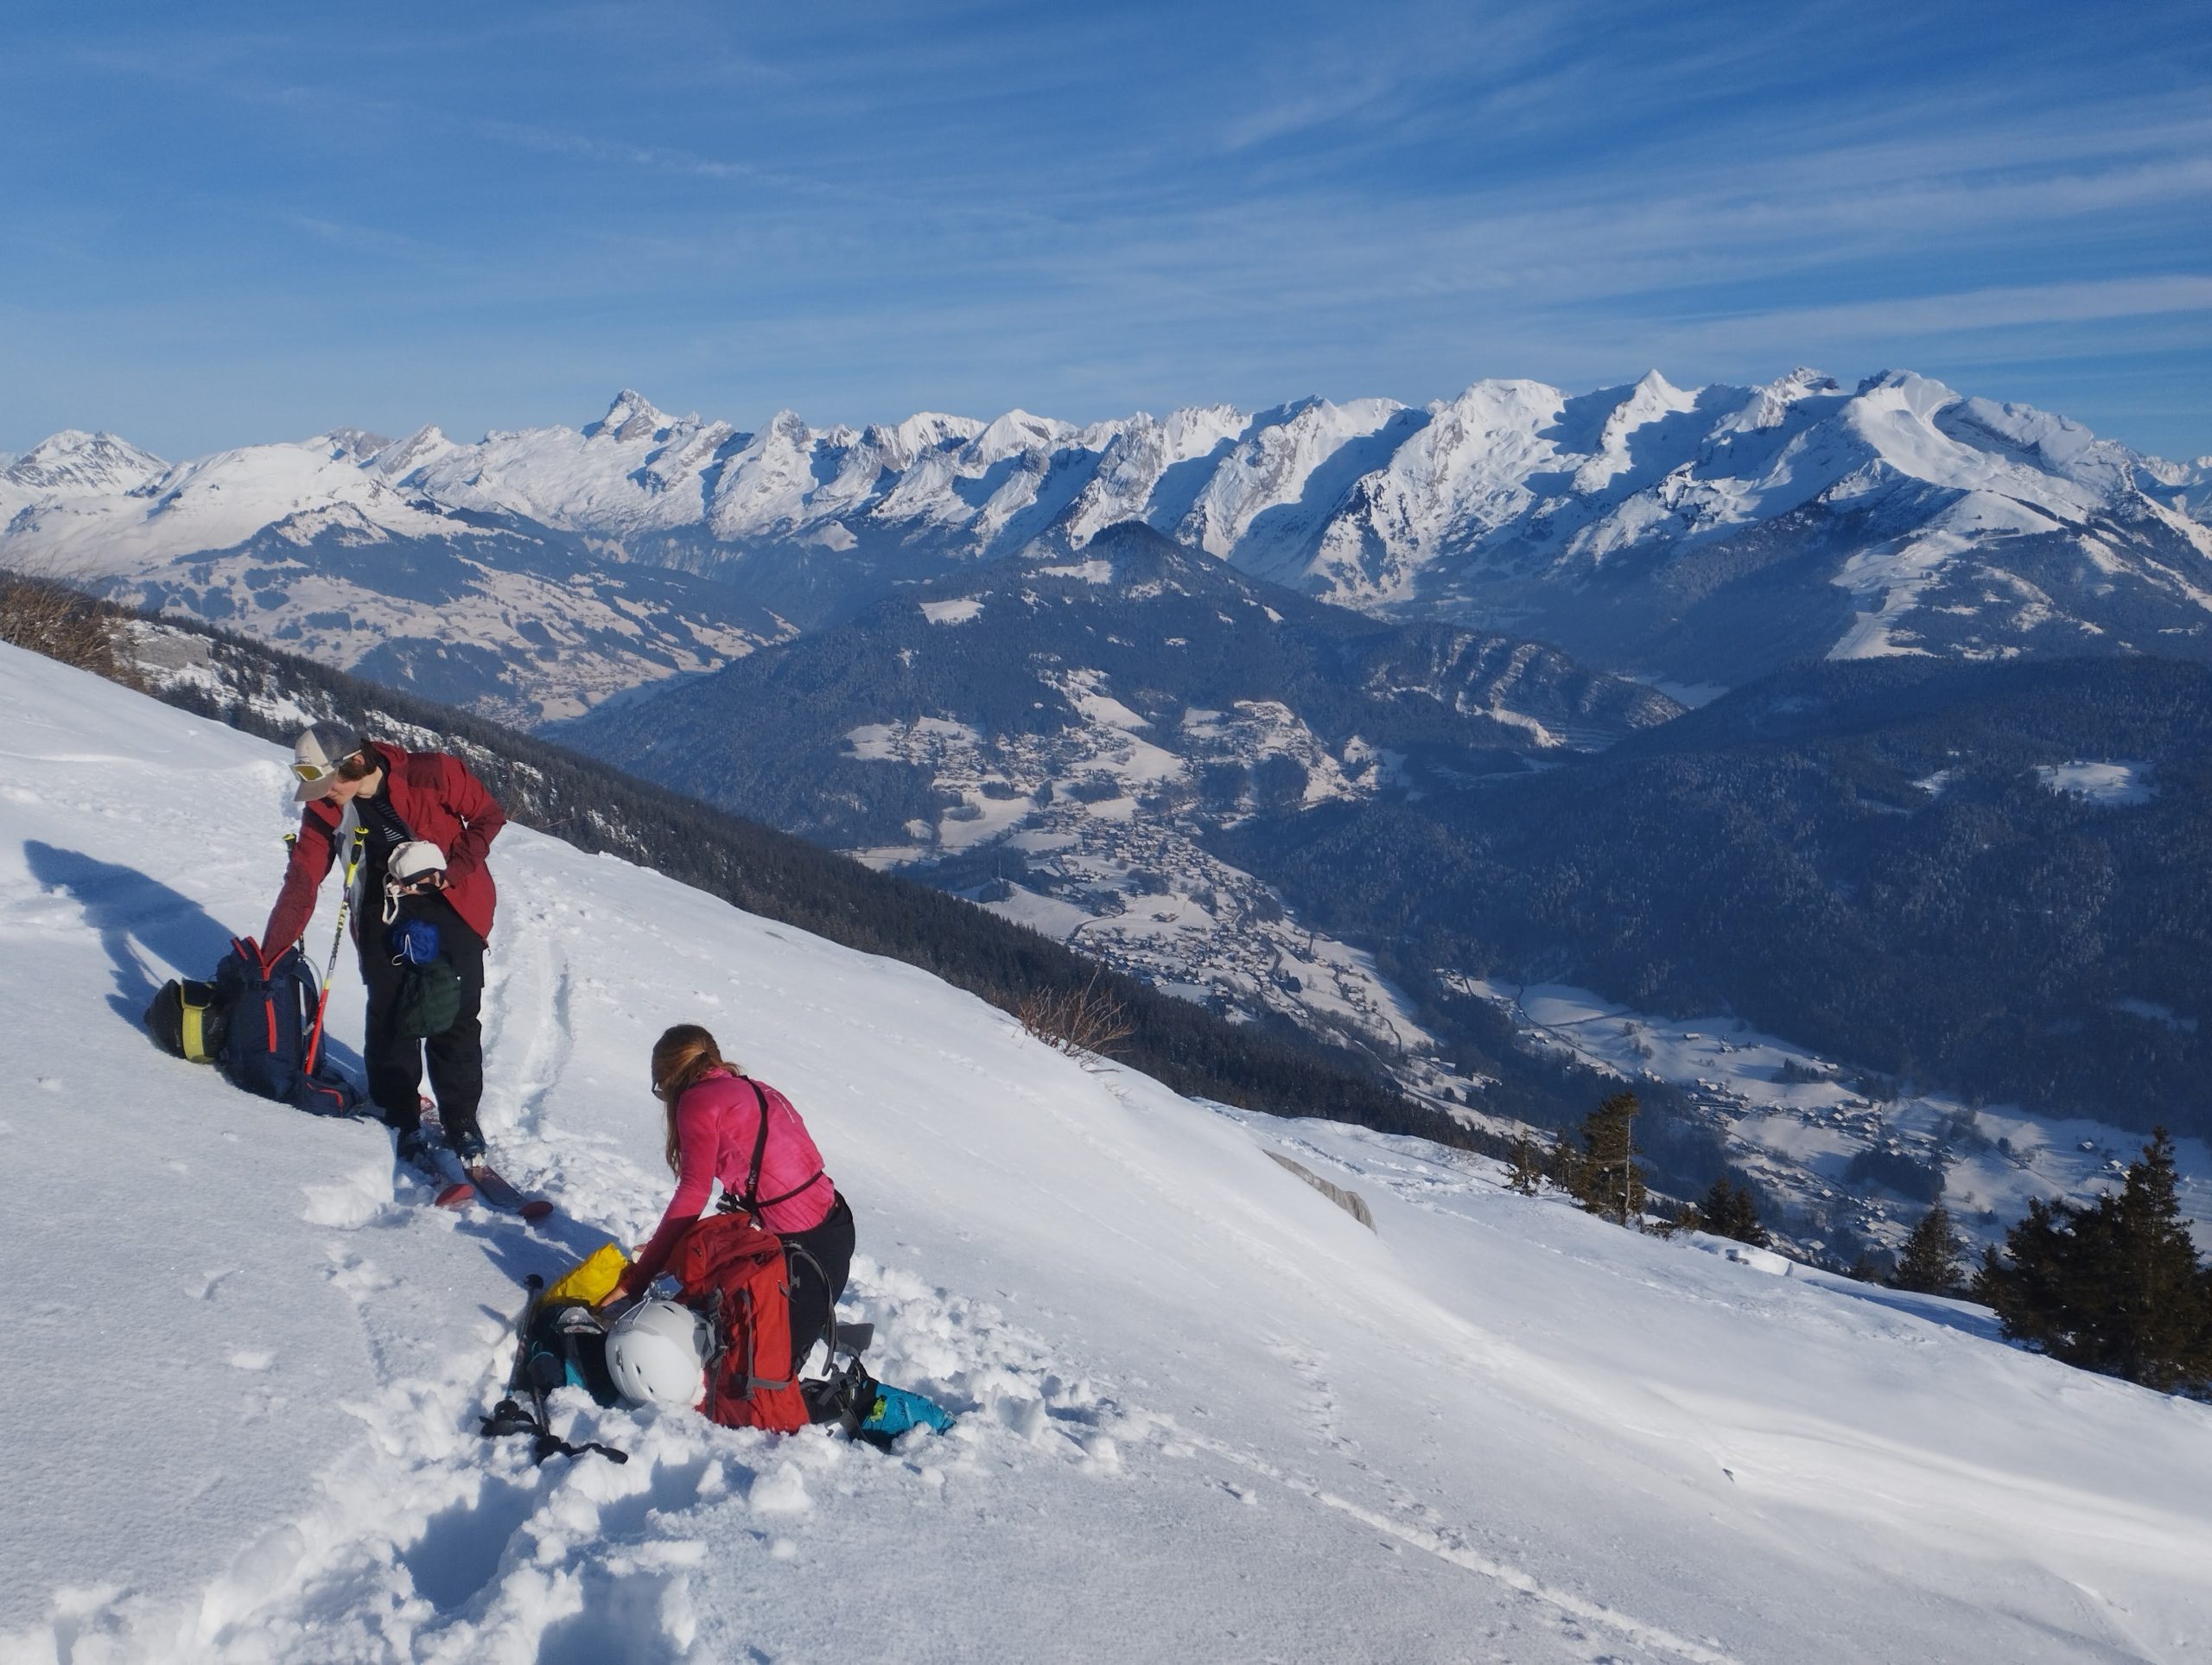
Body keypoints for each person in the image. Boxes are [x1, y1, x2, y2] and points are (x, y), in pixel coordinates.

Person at [264, 721, 506, 1167]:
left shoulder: (432, 773)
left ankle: (460, 1119)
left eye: (329, 783)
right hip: (382, 909)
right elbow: (303, 877)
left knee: (454, 1013)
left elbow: (489, 816)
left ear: (356, 762)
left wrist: (450, 872)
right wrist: (271, 953)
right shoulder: (325, 806)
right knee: (390, 1013)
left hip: (452, 905)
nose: (324, 795)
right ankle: (398, 1114)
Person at [604, 1024, 854, 1375]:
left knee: (752, 1378)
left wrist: (636, 1281)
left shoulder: (697, 1102)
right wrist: (670, 1252)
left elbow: (693, 1193)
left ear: (671, 1079)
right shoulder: (752, 1088)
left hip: (804, 1260)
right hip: (834, 1230)